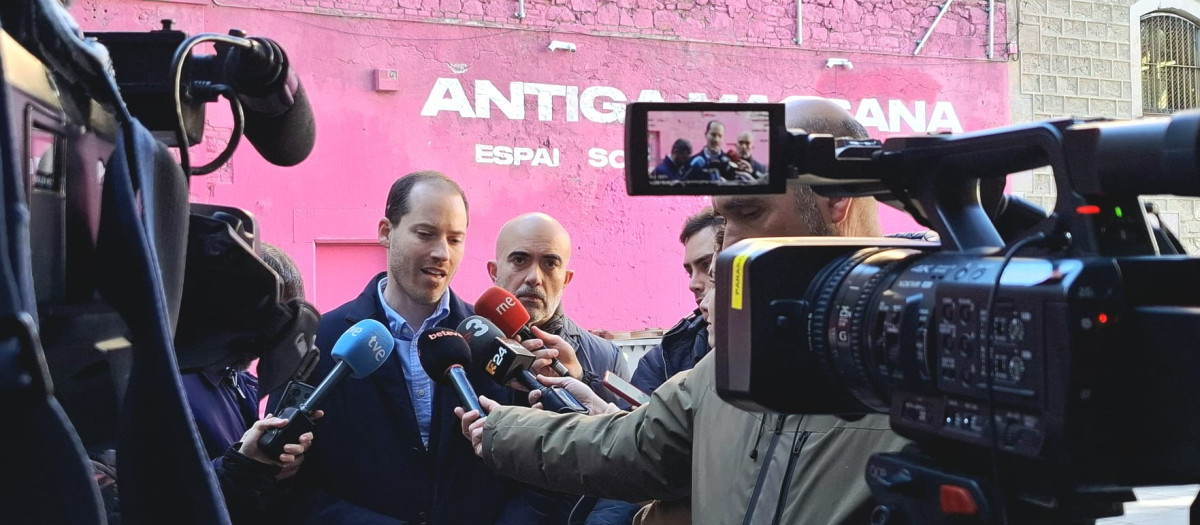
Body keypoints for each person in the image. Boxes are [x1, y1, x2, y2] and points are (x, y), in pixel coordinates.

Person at [456, 98, 908, 524]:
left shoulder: (926, 360)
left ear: (836, 198)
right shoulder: (732, 363)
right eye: (722, 225)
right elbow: (630, 447)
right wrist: (500, 429)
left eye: (748, 212)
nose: (726, 247)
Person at [275, 171, 517, 524]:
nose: (441, 253)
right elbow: (287, 484)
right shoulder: (319, 341)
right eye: (425, 234)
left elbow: (528, 479)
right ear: (386, 232)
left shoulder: (491, 342)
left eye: (455, 239)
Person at [488, 212, 631, 403]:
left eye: (550, 264)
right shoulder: (464, 346)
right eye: (520, 260)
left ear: (566, 279)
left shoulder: (606, 358)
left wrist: (581, 380)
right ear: (494, 272)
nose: (534, 278)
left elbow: (627, 429)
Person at [630, 206, 720, 393]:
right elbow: (631, 420)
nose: (693, 284)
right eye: (689, 272)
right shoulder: (663, 358)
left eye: (708, 266)